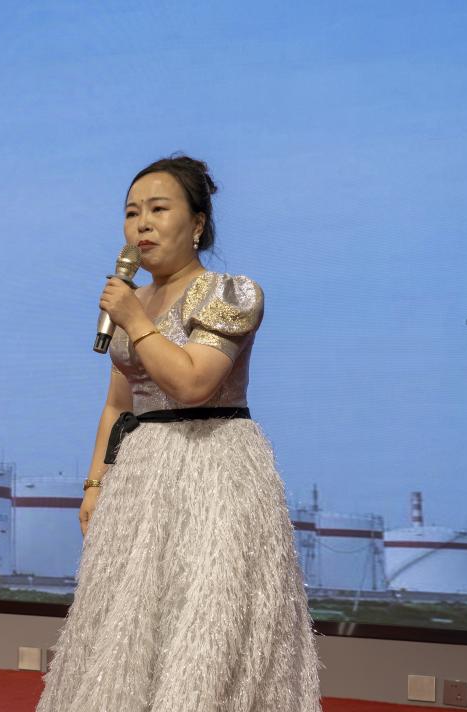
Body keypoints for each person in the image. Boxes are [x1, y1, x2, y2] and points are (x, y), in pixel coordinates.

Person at [35, 154, 323, 711]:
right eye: (131, 212)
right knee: (130, 622)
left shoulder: (229, 292)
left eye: (158, 209)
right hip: (141, 474)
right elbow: (118, 403)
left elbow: (194, 383)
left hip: (213, 465)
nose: (141, 224)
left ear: (197, 223)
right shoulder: (133, 301)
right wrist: (94, 484)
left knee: (206, 617)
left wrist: (135, 320)